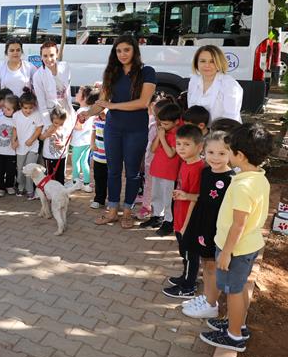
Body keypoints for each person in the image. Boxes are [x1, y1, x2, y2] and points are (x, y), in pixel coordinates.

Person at [199, 123, 271, 352]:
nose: (226, 154)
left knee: (233, 291)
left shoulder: (243, 186)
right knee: (237, 289)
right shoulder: (258, 177)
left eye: (228, 150)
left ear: (238, 155)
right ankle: (236, 323)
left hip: (236, 250)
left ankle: (234, 335)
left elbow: (238, 224)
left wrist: (227, 253)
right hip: (248, 245)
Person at [81, 35, 156, 229]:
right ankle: (113, 211)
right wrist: (87, 114)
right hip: (113, 129)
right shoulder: (111, 72)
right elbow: (102, 102)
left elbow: (142, 103)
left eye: (126, 50)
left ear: (134, 51)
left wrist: (112, 105)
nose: (122, 54)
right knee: (113, 171)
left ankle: (128, 212)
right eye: (118, 50)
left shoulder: (147, 72)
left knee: (132, 173)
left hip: (136, 130)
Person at [181, 131, 234, 319]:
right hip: (202, 223)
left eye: (222, 153)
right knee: (206, 263)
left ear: (231, 153)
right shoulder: (205, 171)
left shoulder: (232, 179)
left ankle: (211, 305)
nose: (215, 158)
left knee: (212, 266)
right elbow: (203, 198)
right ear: (204, 151)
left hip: (217, 228)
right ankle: (207, 297)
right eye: (211, 152)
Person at [162, 124, 205, 298]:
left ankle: (188, 287)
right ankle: (187, 276)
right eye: (179, 144)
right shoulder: (186, 163)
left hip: (189, 220)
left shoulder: (198, 168)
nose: (181, 148)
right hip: (180, 216)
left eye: (186, 144)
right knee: (184, 251)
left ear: (199, 146)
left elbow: (197, 197)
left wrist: (185, 224)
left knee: (190, 253)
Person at [141, 103, 182, 233]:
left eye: (166, 124)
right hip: (157, 169)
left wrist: (162, 137)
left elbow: (171, 153)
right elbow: (153, 149)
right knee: (156, 195)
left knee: (168, 198)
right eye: (161, 123)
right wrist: (159, 135)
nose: (163, 126)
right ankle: (156, 216)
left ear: (176, 122)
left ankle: (169, 221)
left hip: (170, 172)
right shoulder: (162, 131)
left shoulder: (178, 133)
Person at [187, 45, 243, 123]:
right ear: (196, 63)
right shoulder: (194, 80)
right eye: (203, 61)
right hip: (196, 131)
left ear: (219, 63)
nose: (207, 65)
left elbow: (231, 119)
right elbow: (191, 111)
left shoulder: (230, 84)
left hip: (222, 132)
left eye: (212, 61)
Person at [13, 91, 44, 199]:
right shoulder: (16, 115)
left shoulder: (36, 115)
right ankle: (21, 188)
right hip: (20, 148)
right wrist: (14, 140)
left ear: (34, 106)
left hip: (33, 147)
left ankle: (30, 190)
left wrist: (32, 139)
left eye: (30, 108)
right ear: (21, 105)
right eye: (25, 108)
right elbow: (15, 128)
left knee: (30, 169)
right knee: (21, 169)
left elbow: (39, 128)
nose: (28, 110)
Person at [32, 41, 72, 115]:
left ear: (57, 54)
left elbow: (68, 91)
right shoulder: (38, 76)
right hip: (51, 115)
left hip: (67, 112)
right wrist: (48, 124)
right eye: (45, 56)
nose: (49, 59)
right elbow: (41, 103)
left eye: (51, 55)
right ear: (41, 57)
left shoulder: (65, 67)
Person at [71, 87, 97, 192]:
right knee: (84, 162)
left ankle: (75, 183)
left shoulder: (81, 111)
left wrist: (69, 124)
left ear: (84, 98)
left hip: (79, 142)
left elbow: (79, 127)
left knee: (75, 161)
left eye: (79, 92)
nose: (76, 94)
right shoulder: (90, 111)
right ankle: (86, 183)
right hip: (86, 141)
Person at [0, 94, 19, 197]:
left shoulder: (16, 119)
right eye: (4, 107)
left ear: (15, 110)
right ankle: (0, 188)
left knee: (10, 170)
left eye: (8, 109)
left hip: (10, 151)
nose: (5, 110)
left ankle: (9, 186)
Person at [39, 104, 71, 185]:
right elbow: (41, 138)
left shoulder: (65, 128)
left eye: (61, 124)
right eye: (56, 123)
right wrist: (47, 134)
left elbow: (68, 138)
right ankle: (49, 193)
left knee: (60, 177)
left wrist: (63, 144)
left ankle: (60, 193)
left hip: (61, 157)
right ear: (51, 119)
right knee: (49, 176)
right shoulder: (47, 126)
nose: (58, 125)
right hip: (48, 157)